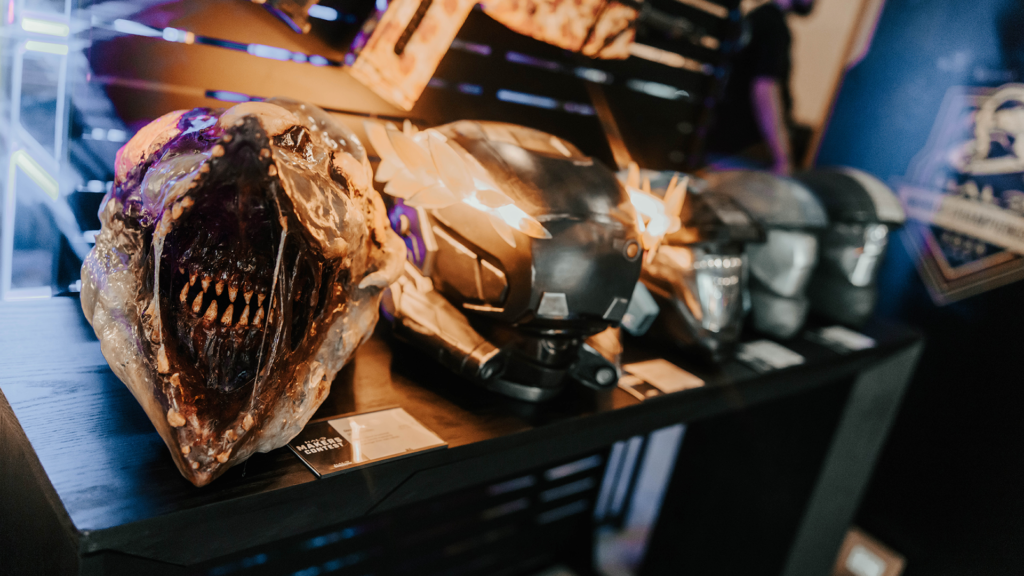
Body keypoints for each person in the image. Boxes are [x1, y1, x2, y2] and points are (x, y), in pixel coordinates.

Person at [703, 0, 815, 176]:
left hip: (725, 145)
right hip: (742, 152)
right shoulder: (774, 25)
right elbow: (765, 88)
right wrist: (782, 156)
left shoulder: (756, 18)